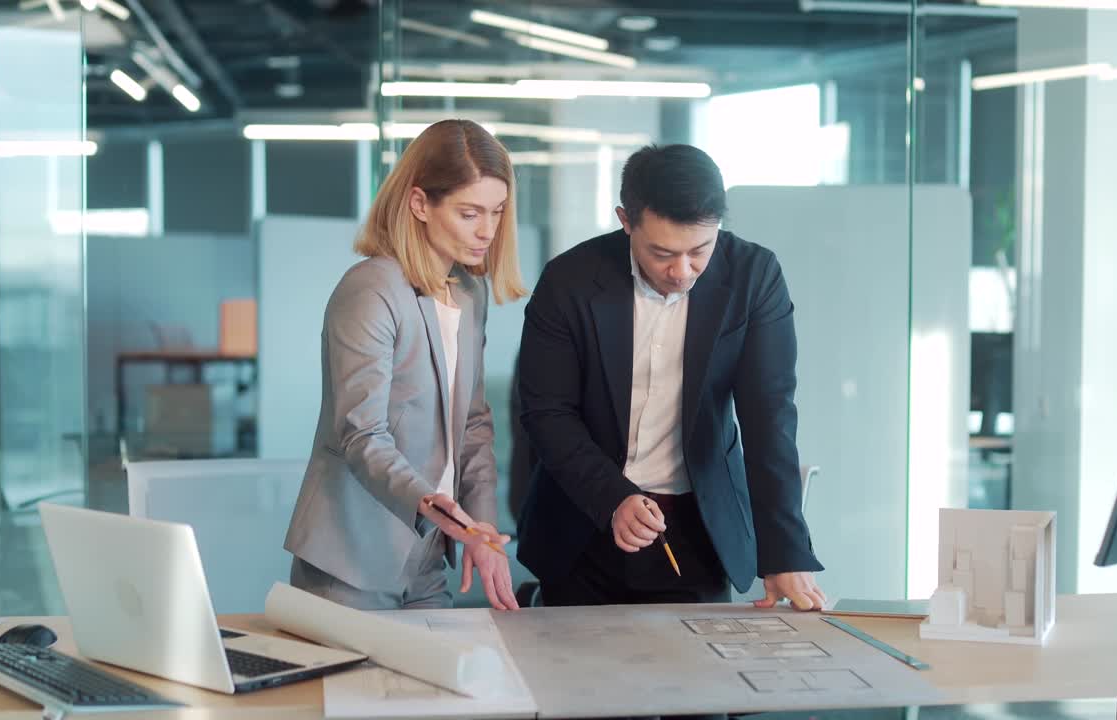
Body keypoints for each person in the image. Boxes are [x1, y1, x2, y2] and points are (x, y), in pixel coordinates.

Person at [516, 144, 826, 611]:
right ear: (626, 221)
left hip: (698, 529)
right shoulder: (570, 280)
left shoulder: (753, 277)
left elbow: (770, 419)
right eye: (662, 253)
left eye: (700, 250)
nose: (682, 272)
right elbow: (546, 412)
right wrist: (611, 497)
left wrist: (784, 552)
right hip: (583, 524)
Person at [285, 119, 524, 611]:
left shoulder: (469, 292)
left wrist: (482, 531)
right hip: (352, 555)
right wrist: (435, 506)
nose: (488, 231)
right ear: (420, 203)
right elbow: (361, 433)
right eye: (469, 213)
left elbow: (473, 424)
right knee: (356, 689)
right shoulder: (371, 289)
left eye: (497, 212)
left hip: (429, 556)